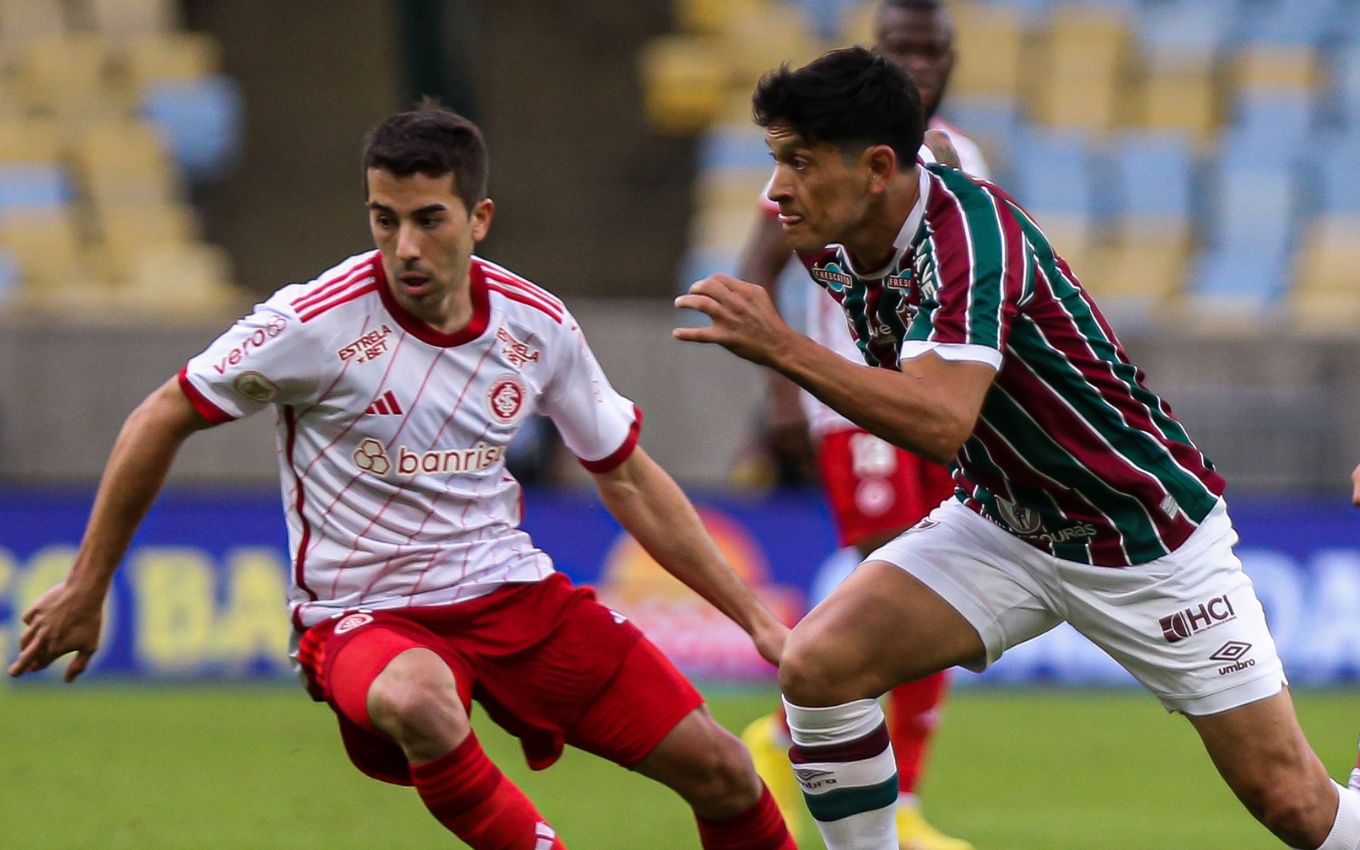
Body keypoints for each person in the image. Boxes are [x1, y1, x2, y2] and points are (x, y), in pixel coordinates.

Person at [9, 106, 799, 850]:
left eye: (429, 220)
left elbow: (626, 477)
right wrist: (88, 581)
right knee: (420, 702)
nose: (405, 247)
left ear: (478, 220)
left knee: (725, 774)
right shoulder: (313, 323)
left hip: (510, 595)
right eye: (385, 219)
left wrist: (753, 617)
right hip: (363, 615)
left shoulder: (537, 326)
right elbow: (162, 414)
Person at [676, 47, 1360, 850]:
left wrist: (783, 350)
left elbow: (939, 421)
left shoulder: (968, 235)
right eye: (773, 160)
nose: (776, 189)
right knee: (818, 667)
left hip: (1141, 534)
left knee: (1294, 805)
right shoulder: (828, 240)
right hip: (1005, 522)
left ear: (877, 167)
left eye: (799, 162)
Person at [735, 3, 982, 848]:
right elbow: (761, 262)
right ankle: (855, 777)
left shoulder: (962, 156)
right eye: (901, 48)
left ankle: (809, 749)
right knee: (900, 568)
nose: (919, 63)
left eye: (931, 49)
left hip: (939, 397)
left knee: (937, 586)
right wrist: (778, 397)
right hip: (858, 407)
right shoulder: (829, 165)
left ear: (951, 59)